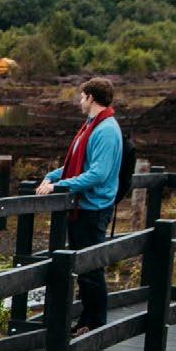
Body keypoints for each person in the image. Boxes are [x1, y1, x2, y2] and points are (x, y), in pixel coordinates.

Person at [37, 77, 124, 332]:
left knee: (91, 268)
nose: (79, 101)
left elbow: (97, 173)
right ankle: (87, 320)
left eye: (82, 96)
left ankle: (95, 323)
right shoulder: (91, 126)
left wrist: (60, 186)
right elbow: (77, 163)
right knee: (83, 268)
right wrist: (52, 177)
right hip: (83, 206)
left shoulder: (106, 130)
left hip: (93, 208)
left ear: (91, 98)